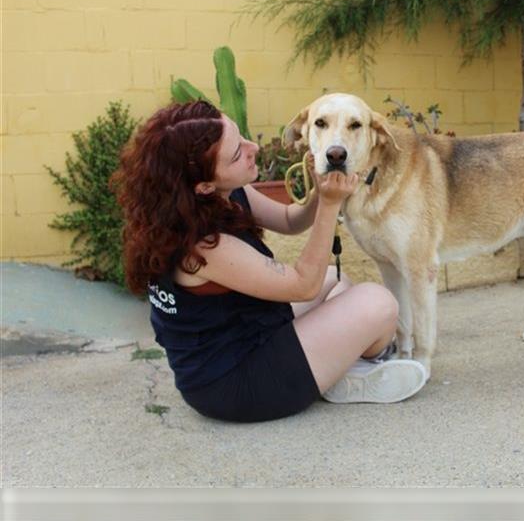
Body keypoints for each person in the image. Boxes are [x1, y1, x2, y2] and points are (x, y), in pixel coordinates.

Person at [113, 100, 426, 422]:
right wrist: (332, 206)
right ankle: (348, 370)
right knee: (378, 304)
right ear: (204, 184)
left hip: (248, 333)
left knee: (337, 281)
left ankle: (340, 374)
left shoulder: (218, 196)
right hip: (235, 385)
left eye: (242, 138)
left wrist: (320, 190)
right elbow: (303, 285)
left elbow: (291, 221)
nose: (253, 149)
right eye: (237, 153)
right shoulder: (204, 247)